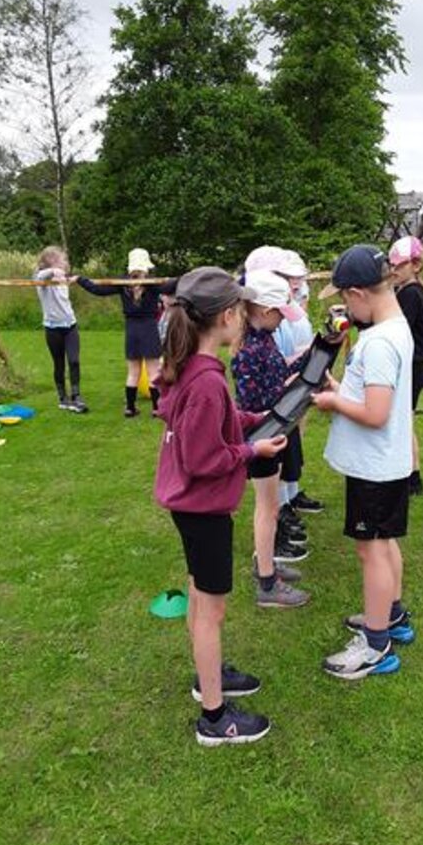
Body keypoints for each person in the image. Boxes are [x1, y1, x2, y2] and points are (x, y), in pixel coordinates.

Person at [154, 267, 289, 746]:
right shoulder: (207, 380)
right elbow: (203, 458)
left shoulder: (191, 366)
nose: (246, 318)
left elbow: (215, 419)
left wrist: (253, 418)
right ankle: (214, 717)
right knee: (212, 611)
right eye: (241, 310)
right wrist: (252, 450)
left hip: (190, 507)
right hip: (202, 509)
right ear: (228, 316)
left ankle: (206, 673)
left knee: (198, 591)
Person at [312, 245, 417, 680]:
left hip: (373, 468)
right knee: (384, 543)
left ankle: (376, 645)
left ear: (357, 294)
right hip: (386, 464)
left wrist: (334, 402)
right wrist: (342, 389)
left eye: (344, 298)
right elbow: (375, 396)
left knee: (370, 551)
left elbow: (375, 414)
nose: (345, 308)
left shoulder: (378, 343)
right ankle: (391, 615)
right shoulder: (396, 328)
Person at [231, 261, 313, 608]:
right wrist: (288, 394)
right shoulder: (249, 351)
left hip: (273, 433)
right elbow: (254, 404)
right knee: (267, 509)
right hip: (262, 439)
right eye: (280, 313)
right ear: (264, 310)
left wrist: (313, 354)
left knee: (271, 508)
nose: (283, 320)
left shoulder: (263, 340)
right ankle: (267, 583)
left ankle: (266, 563)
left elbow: (278, 374)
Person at [76, 248, 176, 418]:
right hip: (149, 329)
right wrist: (188, 277)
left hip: (132, 330)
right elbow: (174, 284)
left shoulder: (122, 283)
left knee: (133, 371)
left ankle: (130, 408)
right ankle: (156, 408)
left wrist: (80, 279)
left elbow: (97, 289)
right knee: (153, 371)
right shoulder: (153, 283)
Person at [271, 250, 326, 518]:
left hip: (300, 372)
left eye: (298, 277)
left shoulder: (297, 295)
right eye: (289, 276)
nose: (296, 281)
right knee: (282, 440)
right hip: (286, 377)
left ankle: (292, 493)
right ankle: (281, 502)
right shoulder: (273, 311)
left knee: (295, 439)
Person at [389, 236, 423, 494]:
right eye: (392, 265)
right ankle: (409, 475)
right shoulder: (404, 291)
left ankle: (412, 477)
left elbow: (396, 327)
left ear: (415, 265)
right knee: (404, 420)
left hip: (412, 367)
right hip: (411, 365)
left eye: (400, 265)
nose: (394, 270)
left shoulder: (411, 293)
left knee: (404, 422)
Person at [32, 245, 87, 413]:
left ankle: (76, 395)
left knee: (74, 360)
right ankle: (63, 397)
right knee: (59, 363)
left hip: (70, 325)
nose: (65, 262)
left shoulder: (62, 278)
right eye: (62, 260)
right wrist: (54, 271)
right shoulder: (42, 280)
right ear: (52, 261)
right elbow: (40, 276)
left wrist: (71, 278)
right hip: (52, 328)